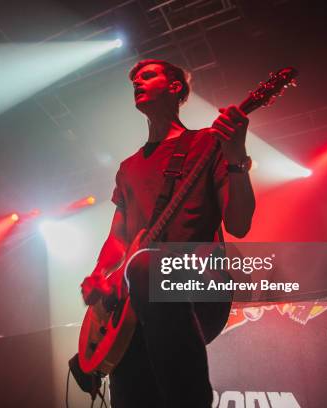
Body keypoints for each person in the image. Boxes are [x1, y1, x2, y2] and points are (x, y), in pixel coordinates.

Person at [80, 59, 256, 407]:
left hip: (198, 285)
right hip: (135, 301)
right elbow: (118, 237)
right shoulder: (128, 168)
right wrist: (100, 276)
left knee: (147, 269)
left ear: (175, 87)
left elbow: (238, 225)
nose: (137, 82)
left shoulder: (207, 143)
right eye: (134, 79)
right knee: (132, 390)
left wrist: (236, 156)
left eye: (147, 75)